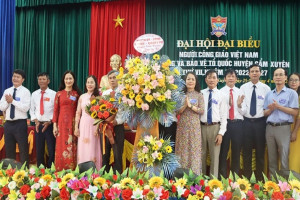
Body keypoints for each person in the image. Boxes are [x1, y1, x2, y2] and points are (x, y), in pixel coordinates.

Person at [237, 64, 271, 180]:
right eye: (252, 71)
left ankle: (260, 179)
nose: (255, 73)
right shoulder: (243, 88)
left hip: (261, 123)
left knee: (260, 151)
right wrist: (239, 105)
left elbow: (268, 108)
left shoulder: (266, 89)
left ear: (260, 73)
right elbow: (243, 109)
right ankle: (247, 178)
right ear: (249, 74)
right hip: (246, 123)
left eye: (257, 71)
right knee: (246, 152)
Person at [264, 68, 298, 176]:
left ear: (285, 78)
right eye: (276, 75)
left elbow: (295, 112)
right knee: (272, 157)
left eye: (280, 75)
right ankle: (273, 186)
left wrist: (278, 107)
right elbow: (264, 113)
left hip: (283, 127)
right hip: (269, 128)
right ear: (273, 78)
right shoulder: (269, 94)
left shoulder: (291, 93)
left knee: (284, 158)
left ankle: (284, 187)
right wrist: (271, 109)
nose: (278, 77)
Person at [175, 72, 204, 175]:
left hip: (195, 127)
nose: (190, 81)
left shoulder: (199, 95)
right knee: (182, 151)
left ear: (195, 82)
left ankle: (194, 176)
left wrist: (190, 106)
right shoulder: (180, 95)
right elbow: (176, 112)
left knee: (193, 151)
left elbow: (202, 110)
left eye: (192, 79)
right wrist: (184, 106)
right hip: (182, 126)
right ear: (185, 81)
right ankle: (180, 176)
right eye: (188, 79)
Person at [0, 69, 31, 166]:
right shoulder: (7, 91)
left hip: (20, 124)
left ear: (23, 79)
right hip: (8, 124)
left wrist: (12, 101)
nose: (15, 78)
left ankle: (24, 172)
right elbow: (1, 107)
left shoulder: (26, 92)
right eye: (14, 76)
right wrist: (7, 101)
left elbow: (25, 108)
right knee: (9, 149)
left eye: (18, 77)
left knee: (23, 149)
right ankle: (11, 172)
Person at [201, 69, 227, 177]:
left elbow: (224, 116)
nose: (211, 80)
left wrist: (221, 133)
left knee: (215, 157)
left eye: (214, 77)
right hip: (201, 127)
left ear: (218, 80)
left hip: (215, 127)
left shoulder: (221, 95)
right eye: (209, 77)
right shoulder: (200, 93)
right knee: (201, 156)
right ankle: (200, 181)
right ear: (206, 80)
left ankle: (213, 184)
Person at [52, 70, 81, 171]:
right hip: (61, 125)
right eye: (66, 78)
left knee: (72, 146)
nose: (68, 80)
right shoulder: (59, 94)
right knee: (61, 147)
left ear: (74, 80)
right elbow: (55, 110)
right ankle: (60, 170)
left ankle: (73, 170)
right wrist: (54, 126)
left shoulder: (77, 94)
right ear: (63, 80)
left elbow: (79, 111)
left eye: (70, 78)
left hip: (73, 124)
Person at [219, 69, 244, 178]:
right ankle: (222, 177)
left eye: (233, 76)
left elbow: (244, 111)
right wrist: (228, 105)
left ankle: (235, 178)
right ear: (224, 79)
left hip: (238, 124)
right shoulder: (220, 92)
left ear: (236, 79)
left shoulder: (240, 92)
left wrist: (239, 105)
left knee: (236, 151)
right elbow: (219, 111)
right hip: (225, 124)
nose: (230, 78)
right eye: (228, 76)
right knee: (223, 152)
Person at [74, 75, 102, 170]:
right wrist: (76, 127)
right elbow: (78, 113)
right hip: (83, 124)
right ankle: (82, 171)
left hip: (93, 125)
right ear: (85, 84)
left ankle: (95, 171)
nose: (89, 84)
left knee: (92, 148)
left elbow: (100, 115)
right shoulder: (82, 97)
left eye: (91, 82)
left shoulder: (98, 97)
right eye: (88, 82)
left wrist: (97, 128)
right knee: (82, 148)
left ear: (95, 84)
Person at [30, 72, 56, 168]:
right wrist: (36, 121)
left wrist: (50, 121)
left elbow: (56, 110)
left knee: (51, 149)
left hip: (50, 125)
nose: (41, 81)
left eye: (43, 79)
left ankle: (51, 168)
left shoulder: (54, 94)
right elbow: (31, 110)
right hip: (38, 125)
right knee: (39, 149)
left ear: (48, 81)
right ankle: (40, 169)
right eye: (39, 79)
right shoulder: (34, 94)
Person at [101, 70, 124, 173]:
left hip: (117, 127)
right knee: (105, 154)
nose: (112, 80)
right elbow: (100, 110)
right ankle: (104, 178)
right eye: (110, 78)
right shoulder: (105, 94)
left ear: (118, 79)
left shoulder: (124, 94)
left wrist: (117, 121)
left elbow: (126, 112)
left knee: (117, 154)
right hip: (106, 127)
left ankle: (118, 178)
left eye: (114, 77)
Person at [288, 73, 300, 173]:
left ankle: (294, 183)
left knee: (294, 157)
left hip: (297, 129)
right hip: (284, 128)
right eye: (291, 80)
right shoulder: (284, 95)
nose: (293, 82)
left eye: (296, 80)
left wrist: (295, 131)